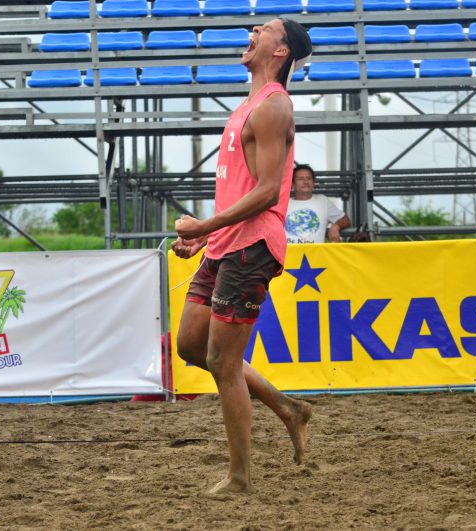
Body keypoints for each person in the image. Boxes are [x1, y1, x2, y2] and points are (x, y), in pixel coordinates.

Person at [172, 18, 313, 494]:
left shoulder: (273, 107)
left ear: (281, 51)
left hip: (253, 246)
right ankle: (289, 409)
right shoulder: (247, 106)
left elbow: (271, 191)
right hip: (227, 242)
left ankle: (239, 479)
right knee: (191, 346)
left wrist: (205, 226)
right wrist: (201, 240)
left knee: (222, 361)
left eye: (267, 28)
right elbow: (243, 187)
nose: (254, 28)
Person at [285, 163, 351, 243]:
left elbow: (346, 220)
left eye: (309, 178)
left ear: (313, 183)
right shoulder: (283, 204)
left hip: (315, 254)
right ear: (292, 184)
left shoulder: (322, 201)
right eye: (301, 179)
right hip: (288, 254)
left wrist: (335, 226)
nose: (306, 182)